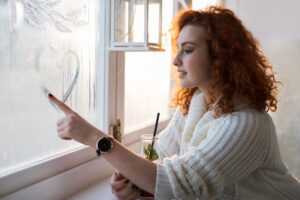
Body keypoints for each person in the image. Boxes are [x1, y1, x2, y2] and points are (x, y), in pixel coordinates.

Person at [48, 6, 300, 200]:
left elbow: (180, 184)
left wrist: (95, 137)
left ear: (220, 58)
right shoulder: (198, 104)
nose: (176, 60)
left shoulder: (247, 124)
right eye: (178, 49)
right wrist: (133, 181)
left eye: (188, 50)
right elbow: (163, 159)